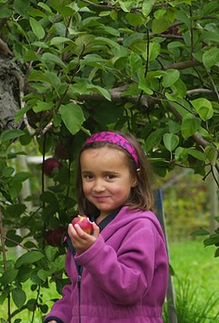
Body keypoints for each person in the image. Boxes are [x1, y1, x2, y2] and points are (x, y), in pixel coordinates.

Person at [44, 131, 169, 323]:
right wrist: (58, 316)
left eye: (110, 176)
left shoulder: (141, 226)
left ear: (134, 178)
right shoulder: (88, 227)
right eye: (89, 176)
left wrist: (93, 251)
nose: (98, 186)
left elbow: (130, 288)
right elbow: (78, 289)